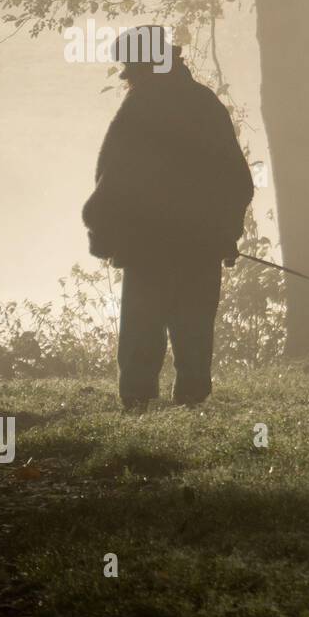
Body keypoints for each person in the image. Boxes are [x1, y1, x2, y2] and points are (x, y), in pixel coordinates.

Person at [82, 26, 254, 412]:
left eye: (130, 68)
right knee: (194, 324)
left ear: (142, 67)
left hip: (148, 244)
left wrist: (102, 231)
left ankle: (138, 401)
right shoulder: (206, 104)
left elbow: (115, 176)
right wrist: (227, 231)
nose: (129, 76)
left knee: (143, 324)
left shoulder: (139, 107)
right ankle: (192, 399)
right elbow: (236, 180)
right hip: (202, 242)